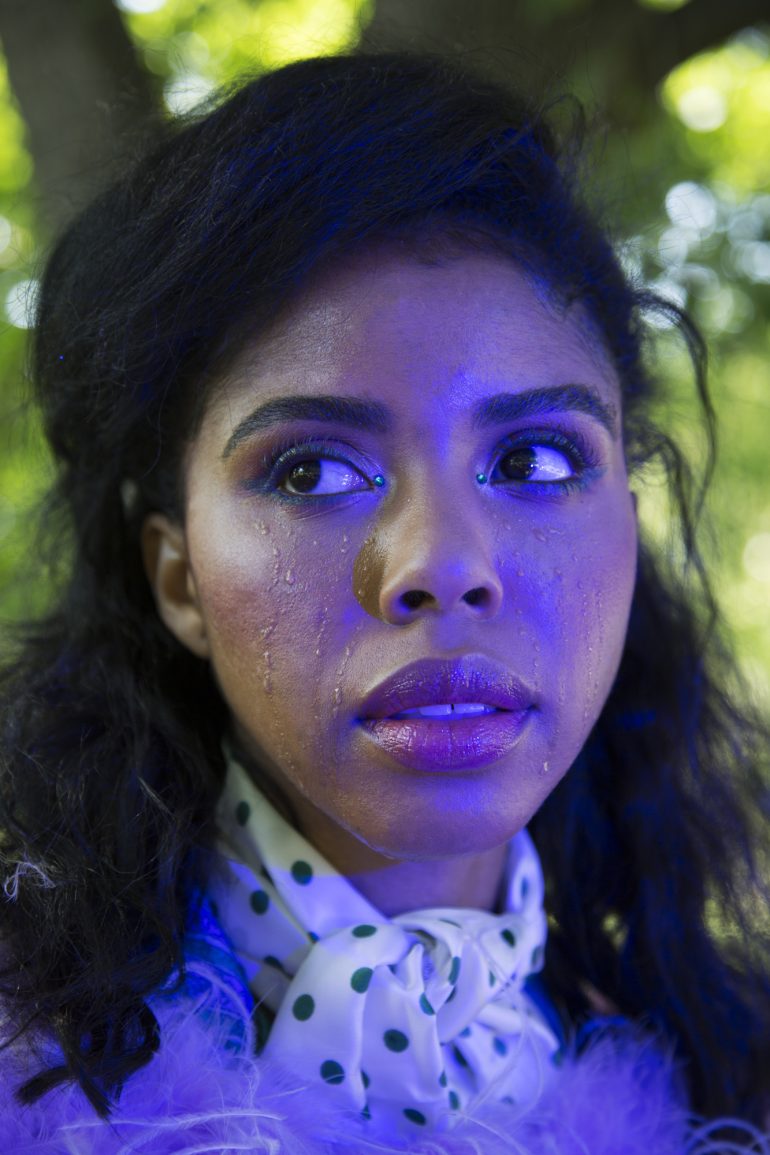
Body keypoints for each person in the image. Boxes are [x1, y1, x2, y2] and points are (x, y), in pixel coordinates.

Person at [0, 48, 768, 1154]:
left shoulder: (724, 1090)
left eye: (536, 460)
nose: (443, 564)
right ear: (179, 578)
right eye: (312, 471)